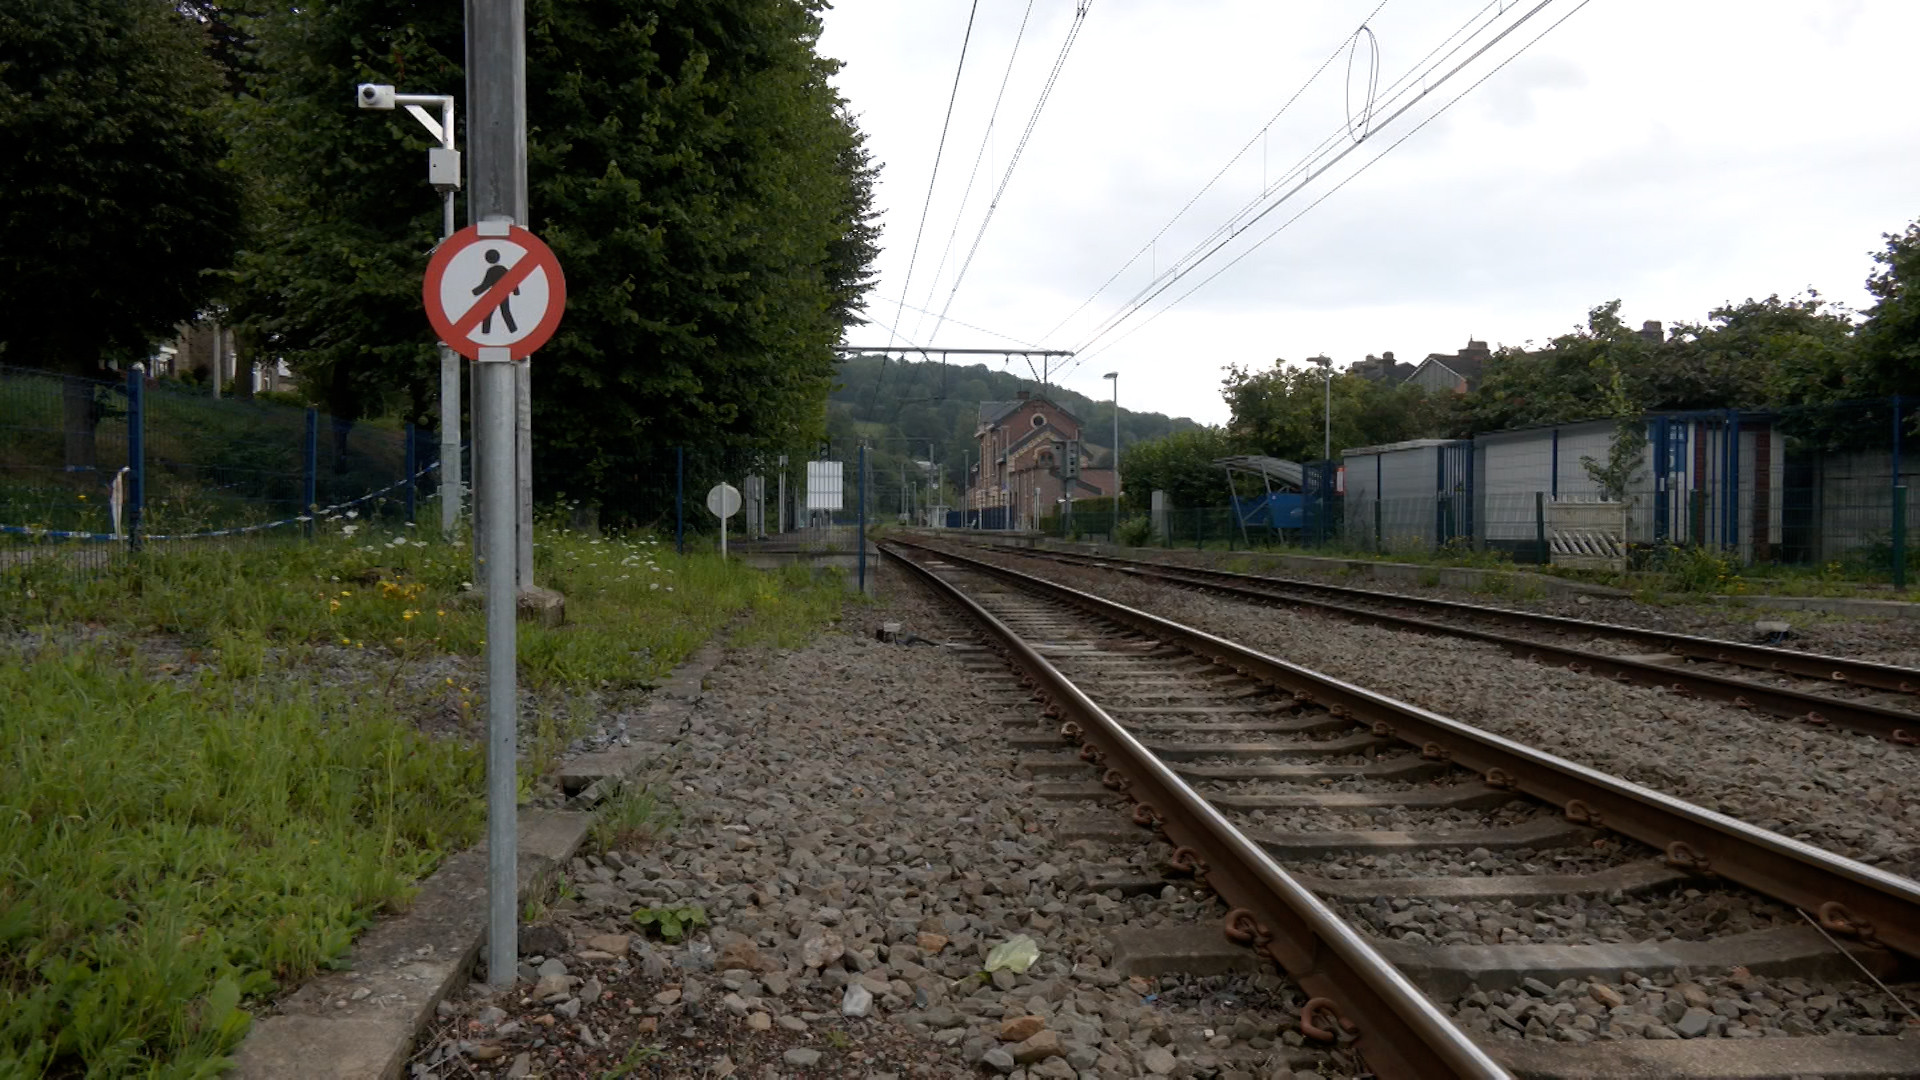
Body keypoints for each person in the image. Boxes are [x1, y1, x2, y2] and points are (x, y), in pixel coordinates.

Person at [473, 248, 519, 334]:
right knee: (506, 312)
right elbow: (512, 280)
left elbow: (486, 284)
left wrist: (475, 292)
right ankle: (513, 330)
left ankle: (485, 332)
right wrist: (516, 291)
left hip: (494, 295)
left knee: (487, 314)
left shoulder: (491, 271)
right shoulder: (503, 269)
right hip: (504, 294)